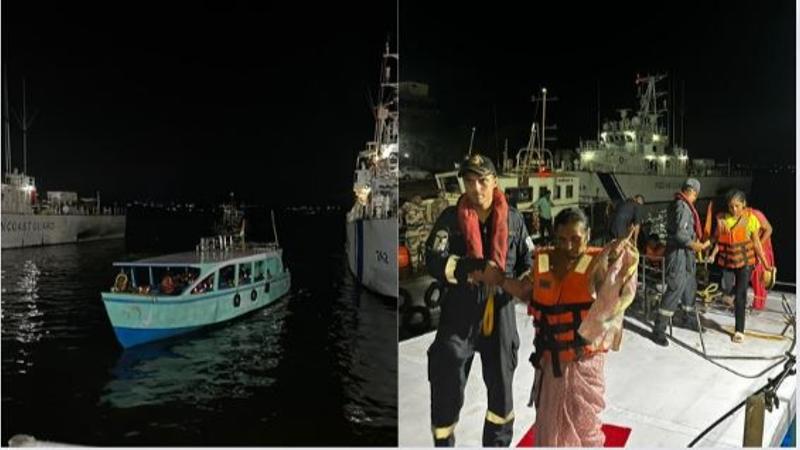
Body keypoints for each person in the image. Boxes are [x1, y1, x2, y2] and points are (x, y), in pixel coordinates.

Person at [501, 208, 639, 447]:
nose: (568, 246)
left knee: (585, 431)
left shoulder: (598, 264)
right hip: (548, 362)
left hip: (582, 363)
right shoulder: (543, 261)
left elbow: (617, 274)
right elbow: (525, 290)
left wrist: (619, 253)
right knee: (548, 427)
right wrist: (499, 279)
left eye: (575, 239)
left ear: (587, 236)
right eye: (562, 239)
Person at [425, 153, 533, 447]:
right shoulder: (451, 218)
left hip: (500, 314)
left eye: (482, 181)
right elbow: (433, 259)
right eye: (469, 182)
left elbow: (529, 260)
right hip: (459, 313)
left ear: (495, 182)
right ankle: (444, 442)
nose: (476, 189)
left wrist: (526, 281)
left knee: (501, 393)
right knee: (446, 379)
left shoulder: (514, 220)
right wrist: (471, 271)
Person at [652, 178, 710, 346]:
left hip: (686, 255)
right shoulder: (682, 207)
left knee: (689, 286)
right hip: (678, 254)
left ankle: (689, 319)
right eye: (695, 195)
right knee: (675, 288)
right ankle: (659, 329)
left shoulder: (678, 204)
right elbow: (679, 234)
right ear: (693, 192)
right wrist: (696, 245)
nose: (695, 198)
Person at [708, 190, 772, 343]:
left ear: (744, 205)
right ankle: (731, 296)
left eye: (737, 206)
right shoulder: (723, 219)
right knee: (726, 288)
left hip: (745, 263)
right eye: (731, 207)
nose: (734, 210)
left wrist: (765, 264)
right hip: (728, 262)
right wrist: (712, 254)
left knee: (741, 296)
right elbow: (718, 240)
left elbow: (757, 244)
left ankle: (739, 330)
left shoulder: (751, 220)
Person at [746, 204, 774, 310]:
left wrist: (759, 245)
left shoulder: (755, 214)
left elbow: (769, 229)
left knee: (760, 277)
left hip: (763, 248)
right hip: (750, 248)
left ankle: (758, 306)